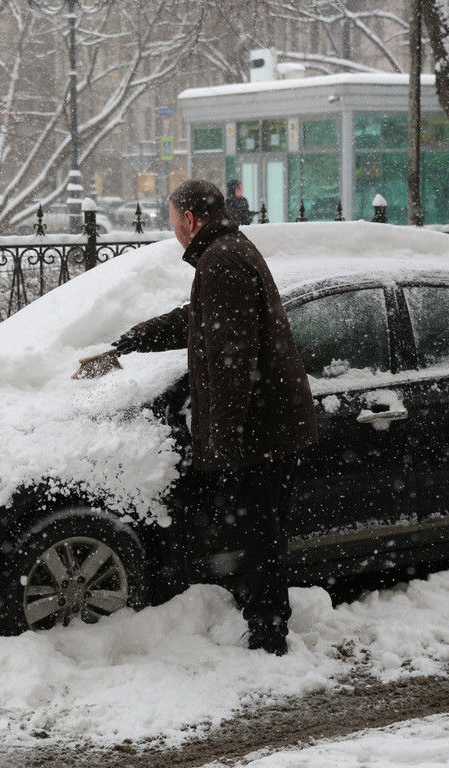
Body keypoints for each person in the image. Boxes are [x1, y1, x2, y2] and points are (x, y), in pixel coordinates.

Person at [108, 179, 317, 655]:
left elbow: (231, 359)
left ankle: (268, 635)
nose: (171, 228)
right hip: (270, 425)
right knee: (264, 532)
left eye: (171, 218)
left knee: (262, 536)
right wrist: (142, 335)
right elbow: (204, 318)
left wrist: (221, 446)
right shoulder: (228, 250)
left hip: (262, 432)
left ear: (188, 219)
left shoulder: (222, 259)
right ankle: (265, 620)